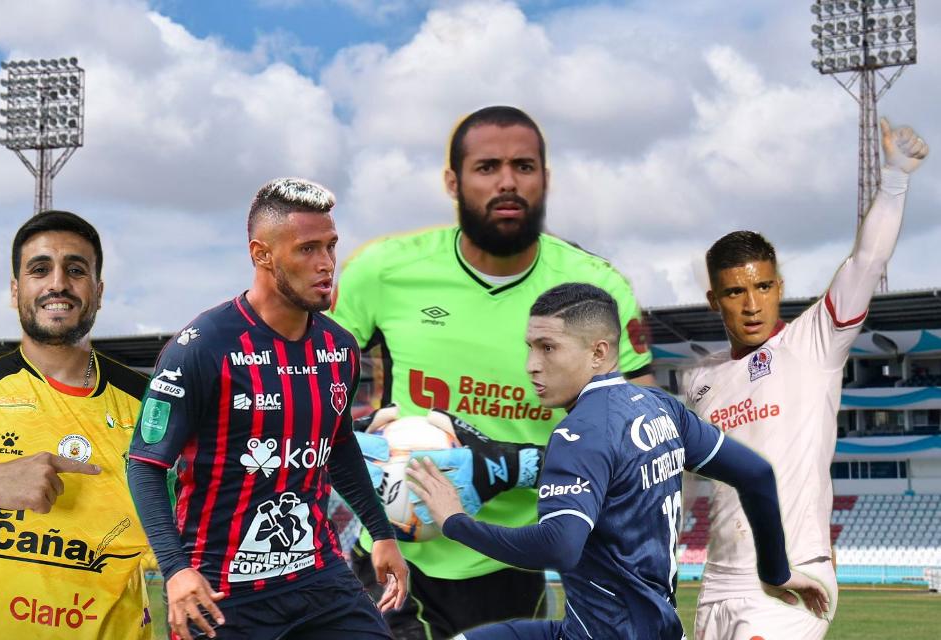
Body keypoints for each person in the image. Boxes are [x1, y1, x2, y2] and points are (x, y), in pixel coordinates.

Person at [330, 105, 655, 639]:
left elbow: (642, 442)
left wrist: (515, 465)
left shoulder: (598, 288)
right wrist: (350, 439)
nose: (507, 182)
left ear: (545, 179)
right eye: (487, 168)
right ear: (453, 182)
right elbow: (307, 388)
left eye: (524, 167)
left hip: (506, 560)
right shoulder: (382, 272)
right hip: (391, 544)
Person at [408, 282, 829, 640]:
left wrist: (454, 522)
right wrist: (775, 571)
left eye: (548, 348)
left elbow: (560, 545)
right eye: (531, 347)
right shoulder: (662, 408)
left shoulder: (580, 433)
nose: (531, 365)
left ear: (599, 352)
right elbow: (755, 474)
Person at [127, 177, 408, 640]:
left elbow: (337, 446)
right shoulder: (202, 346)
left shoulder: (338, 347)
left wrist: (381, 531)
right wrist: (176, 570)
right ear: (262, 255)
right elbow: (144, 465)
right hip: (221, 591)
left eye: (331, 247)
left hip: (318, 577)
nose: (326, 264)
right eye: (307, 249)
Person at [684, 119, 928, 640]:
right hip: (717, 582)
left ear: (779, 287)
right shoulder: (697, 381)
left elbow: (867, 261)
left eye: (764, 287)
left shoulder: (812, 343)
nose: (752, 305)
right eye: (734, 293)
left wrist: (895, 178)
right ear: (714, 301)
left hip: (791, 576)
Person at [0, 211, 153, 639]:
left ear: (98, 292)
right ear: (16, 290)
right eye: (40, 269)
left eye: (76, 270)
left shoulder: (151, 402)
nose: (58, 283)